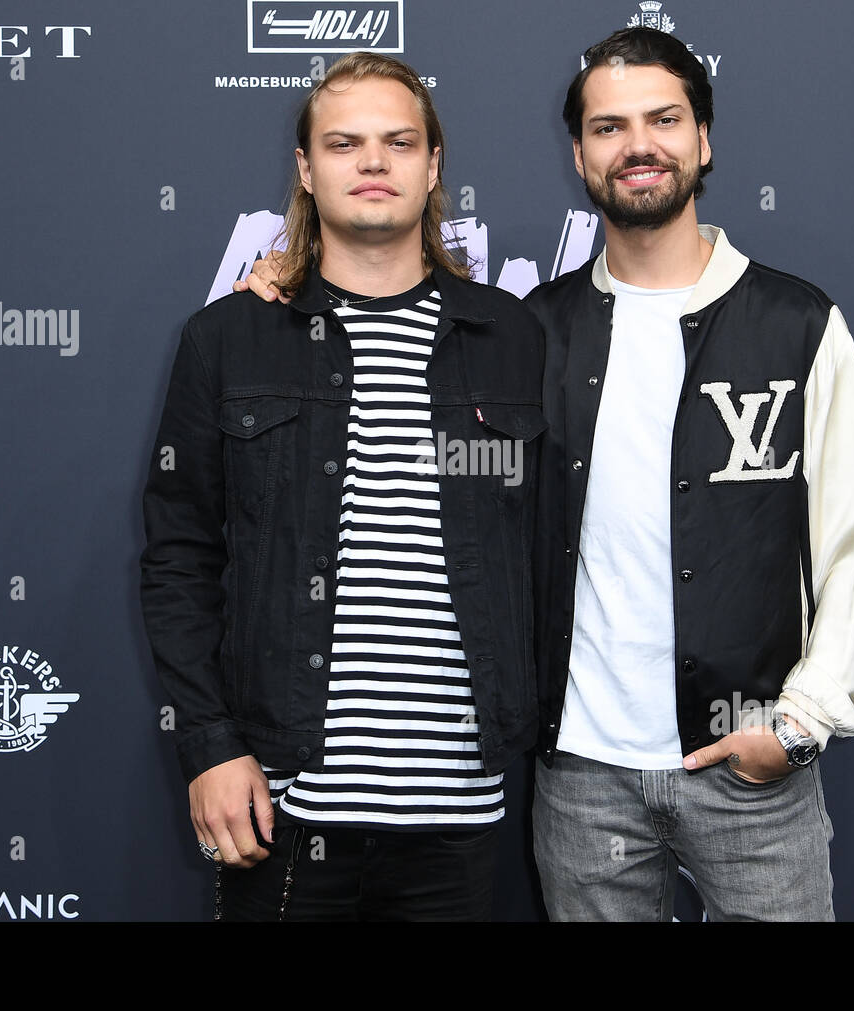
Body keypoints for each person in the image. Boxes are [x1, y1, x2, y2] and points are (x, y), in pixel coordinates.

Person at [241, 27, 854, 923]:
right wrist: (285, 277)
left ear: (705, 140)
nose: (638, 145)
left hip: (751, 773)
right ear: (579, 153)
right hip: (580, 777)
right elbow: (387, 295)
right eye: (607, 127)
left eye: (663, 119)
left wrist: (796, 726)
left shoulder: (797, 322)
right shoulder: (523, 332)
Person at [140, 52, 546, 921]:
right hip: (281, 809)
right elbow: (179, 557)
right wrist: (209, 746)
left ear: (433, 165)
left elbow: (559, 545)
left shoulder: (512, 336)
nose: (373, 162)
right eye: (344, 142)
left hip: (459, 821)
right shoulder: (228, 338)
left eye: (399, 141)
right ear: (305, 167)